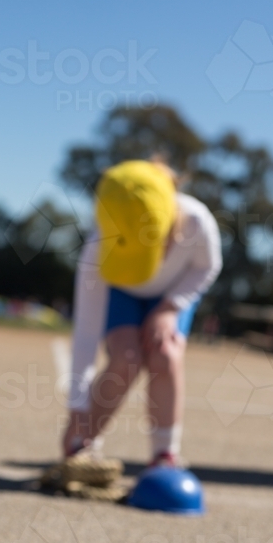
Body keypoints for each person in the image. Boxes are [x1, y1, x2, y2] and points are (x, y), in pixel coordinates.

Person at [62, 159, 222, 468]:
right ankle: (83, 444)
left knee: (166, 352)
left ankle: (164, 454)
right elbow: (86, 332)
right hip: (123, 294)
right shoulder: (98, 247)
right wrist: (76, 410)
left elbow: (207, 267)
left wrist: (170, 307)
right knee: (126, 359)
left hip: (171, 295)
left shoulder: (198, 222)